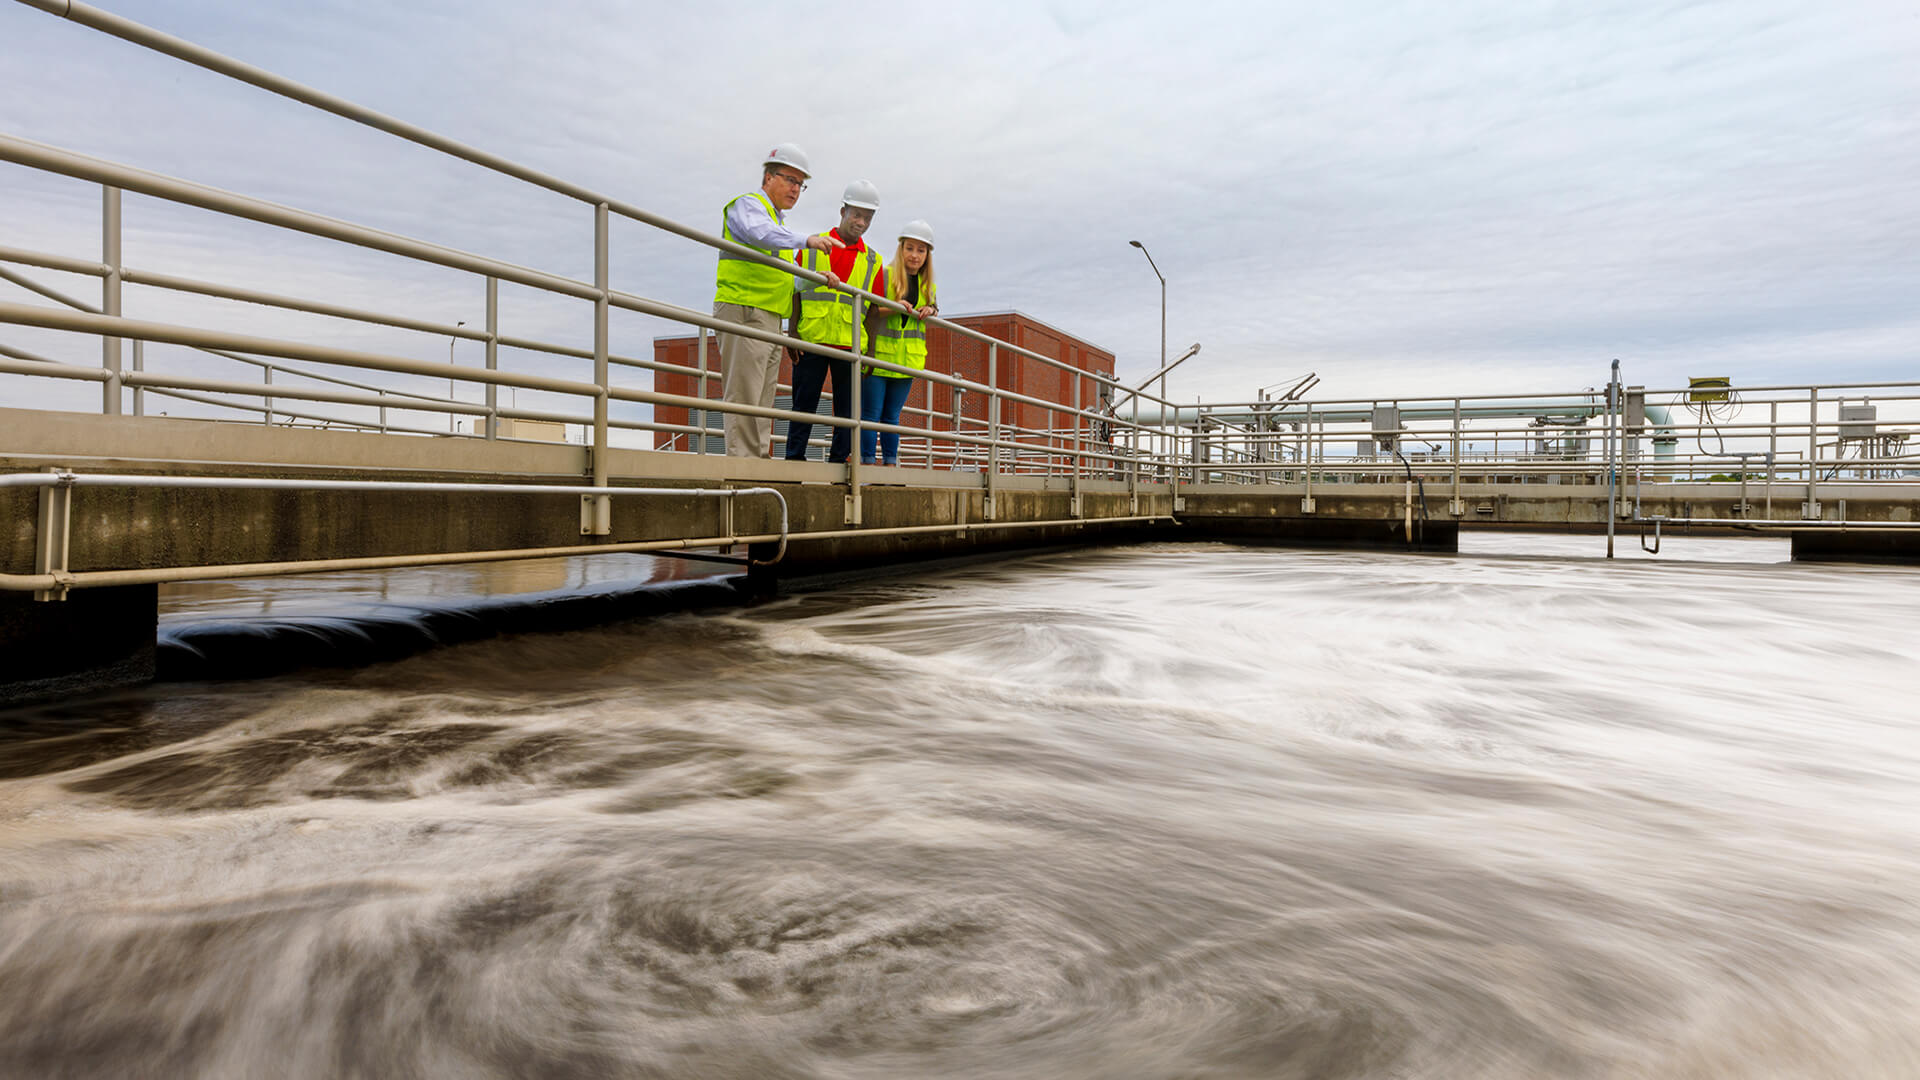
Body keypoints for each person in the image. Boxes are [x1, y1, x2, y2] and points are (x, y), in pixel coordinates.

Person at [714, 143, 842, 458]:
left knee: (762, 397)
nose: (796, 189)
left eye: (801, 184)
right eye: (790, 180)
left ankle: (758, 459)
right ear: (769, 177)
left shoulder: (777, 223)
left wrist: (815, 278)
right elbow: (759, 234)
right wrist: (807, 240)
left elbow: (781, 277)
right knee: (745, 393)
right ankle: (742, 466)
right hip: (744, 309)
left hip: (770, 316)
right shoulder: (748, 206)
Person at [783, 180, 885, 464]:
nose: (861, 222)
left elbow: (875, 310)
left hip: (850, 345)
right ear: (843, 211)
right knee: (803, 405)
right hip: (811, 338)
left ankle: (839, 466)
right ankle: (794, 462)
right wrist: (791, 332)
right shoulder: (812, 245)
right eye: (856, 215)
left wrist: (872, 352)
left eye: (868, 217)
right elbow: (795, 290)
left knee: (847, 412)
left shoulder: (873, 261)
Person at [861, 219, 938, 466]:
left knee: (892, 417)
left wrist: (932, 310)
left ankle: (891, 466)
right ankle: (867, 465)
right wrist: (892, 309)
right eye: (910, 248)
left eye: (921, 250)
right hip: (879, 357)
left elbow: (933, 308)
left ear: (927, 255)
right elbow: (867, 311)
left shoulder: (929, 286)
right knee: (872, 416)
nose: (915, 255)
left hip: (908, 360)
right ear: (901, 249)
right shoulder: (884, 275)